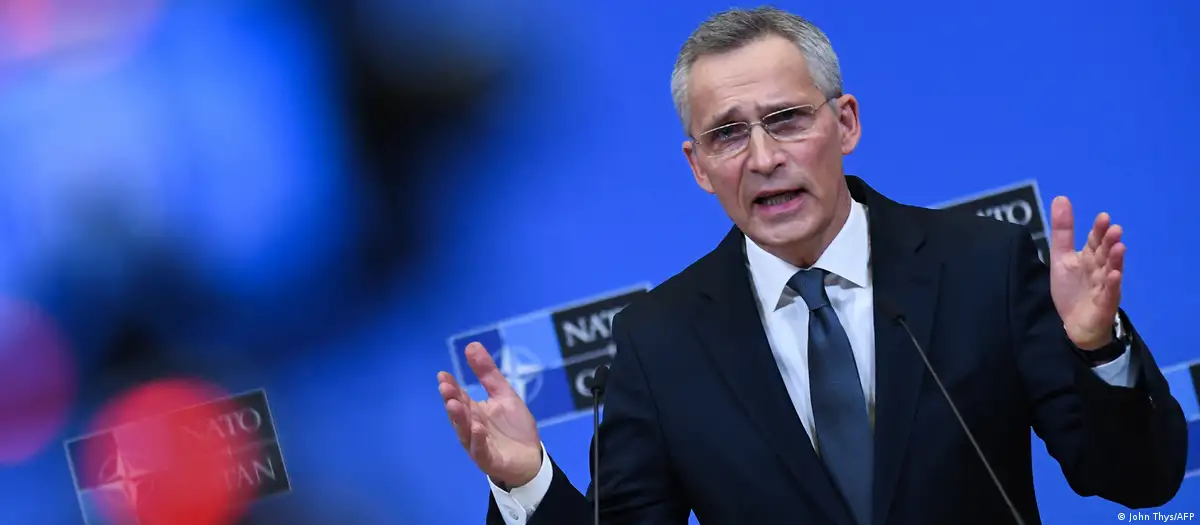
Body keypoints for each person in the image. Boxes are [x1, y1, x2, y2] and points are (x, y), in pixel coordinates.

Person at [436, 6, 1188, 525]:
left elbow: (1138, 480)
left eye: (786, 119)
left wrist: (1097, 348)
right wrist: (527, 479)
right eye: (728, 134)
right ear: (698, 167)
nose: (764, 158)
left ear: (845, 123)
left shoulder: (981, 267)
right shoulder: (658, 344)